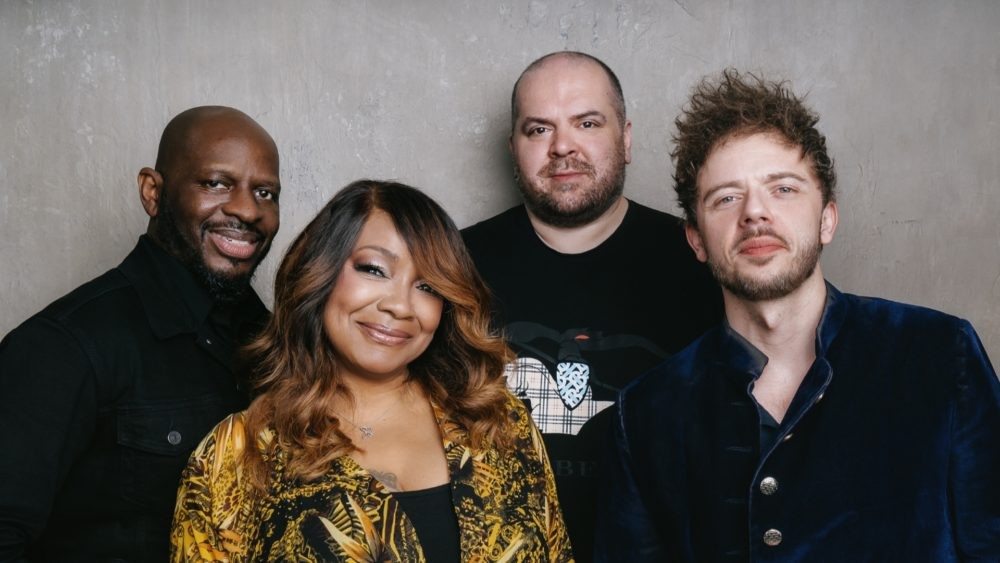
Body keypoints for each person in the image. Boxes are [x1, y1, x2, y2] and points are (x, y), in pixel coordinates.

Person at [596, 70, 1000, 561]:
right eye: (726, 198)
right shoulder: (647, 412)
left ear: (827, 219)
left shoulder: (940, 355)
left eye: (783, 189)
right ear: (696, 240)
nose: (754, 213)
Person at [170, 180, 572, 562]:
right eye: (374, 269)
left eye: (428, 286)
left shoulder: (498, 424)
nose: (400, 305)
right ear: (321, 273)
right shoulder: (236, 455)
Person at [462, 51, 721, 559]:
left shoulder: (703, 262)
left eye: (587, 123)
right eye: (539, 129)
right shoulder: (452, 263)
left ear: (626, 139)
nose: (562, 146)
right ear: (513, 147)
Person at [0, 105, 281, 561]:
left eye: (265, 192)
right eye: (216, 183)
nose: (248, 210)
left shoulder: (276, 341)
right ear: (153, 192)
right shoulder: (64, 345)